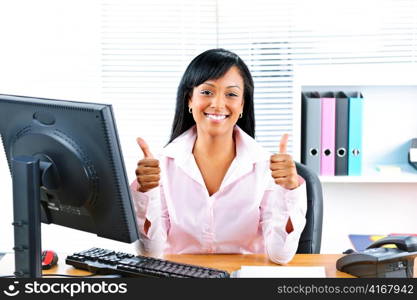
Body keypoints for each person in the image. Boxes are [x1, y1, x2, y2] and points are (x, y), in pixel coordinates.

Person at [131, 48, 307, 264]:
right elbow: (151, 253)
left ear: (242, 105)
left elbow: (281, 255)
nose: (217, 104)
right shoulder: (162, 165)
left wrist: (289, 190)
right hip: (181, 277)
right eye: (207, 92)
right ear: (189, 100)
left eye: (231, 94)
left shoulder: (265, 166)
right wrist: (146, 192)